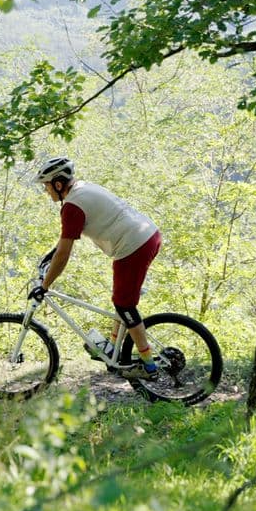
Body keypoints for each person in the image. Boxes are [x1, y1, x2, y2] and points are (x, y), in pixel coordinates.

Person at [27, 156, 162, 380]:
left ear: (58, 184)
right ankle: (112, 348)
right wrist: (48, 259)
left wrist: (45, 285)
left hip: (134, 245)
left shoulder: (72, 207)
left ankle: (149, 367)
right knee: (121, 299)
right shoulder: (81, 188)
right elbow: (63, 243)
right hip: (146, 235)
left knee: (124, 304)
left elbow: (64, 253)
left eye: (46, 186)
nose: (46, 191)